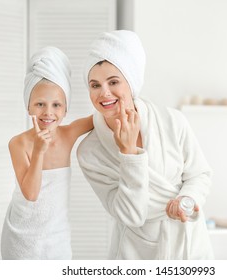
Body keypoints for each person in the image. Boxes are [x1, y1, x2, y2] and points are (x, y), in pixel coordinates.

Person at [77, 30, 213, 259]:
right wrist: (129, 154)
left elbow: (199, 174)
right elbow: (132, 215)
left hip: (191, 247)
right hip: (137, 254)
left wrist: (186, 199)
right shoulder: (90, 153)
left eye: (113, 82)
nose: (104, 93)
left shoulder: (172, 121)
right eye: (95, 85)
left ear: (131, 82)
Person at [1, 46, 93, 259]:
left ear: (65, 109)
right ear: (29, 107)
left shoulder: (68, 134)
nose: (48, 112)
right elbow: (31, 194)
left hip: (57, 237)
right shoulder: (18, 144)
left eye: (56, 105)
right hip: (22, 238)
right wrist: (39, 152)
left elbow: (101, 118)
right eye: (40, 104)